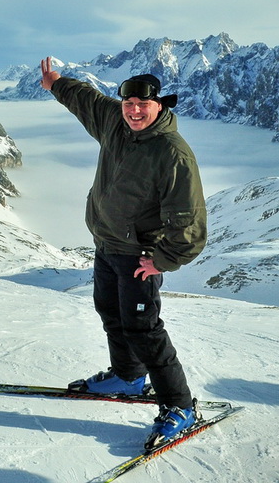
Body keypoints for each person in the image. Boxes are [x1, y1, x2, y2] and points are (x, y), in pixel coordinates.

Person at [39, 56, 208, 449]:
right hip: (107, 244)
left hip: (139, 257)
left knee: (144, 330)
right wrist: (57, 83)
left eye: (142, 105)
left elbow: (191, 222)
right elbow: (88, 100)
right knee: (110, 312)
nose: (133, 111)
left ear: (160, 105)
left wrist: (162, 259)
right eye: (128, 104)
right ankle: (128, 375)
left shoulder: (172, 154)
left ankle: (180, 406)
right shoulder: (115, 123)